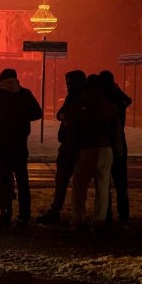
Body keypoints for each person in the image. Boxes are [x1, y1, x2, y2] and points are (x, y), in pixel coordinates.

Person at [0, 68, 43, 229]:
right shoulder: (25, 94)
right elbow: (37, 113)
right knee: (22, 181)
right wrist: (22, 116)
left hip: (0, 144)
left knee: (4, 181)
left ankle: (6, 214)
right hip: (20, 143)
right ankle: (24, 215)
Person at [65, 74, 124, 233]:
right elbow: (116, 131)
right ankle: (99, 220)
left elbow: (72, 130)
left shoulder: (79, 105)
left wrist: (70, 151)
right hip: (106, 149)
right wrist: (118, 151)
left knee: (79, 187)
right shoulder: (110, 106)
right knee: (103, 187)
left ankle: (78, 219)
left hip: (86, 148)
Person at [36, 70, 86, 224]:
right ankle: (63, 211)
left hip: (75, 144)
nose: (68, 85)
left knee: (69, 181)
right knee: (66, 181)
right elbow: (60, 113)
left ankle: (67, 213)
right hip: (72, 143)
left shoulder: (81, 98)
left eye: (70, 82)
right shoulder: (75, 97)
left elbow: (67, 116)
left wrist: (66, 116)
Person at [100, 70, 133, 227]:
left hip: (105, 142)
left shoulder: (103, 99)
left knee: (105, 180)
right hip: (120, 141)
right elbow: (128, 100)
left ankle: (106, 214)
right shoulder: (118, 98)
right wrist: (118, 89)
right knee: (121, 182)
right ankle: (124, 214)